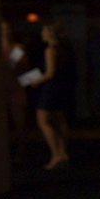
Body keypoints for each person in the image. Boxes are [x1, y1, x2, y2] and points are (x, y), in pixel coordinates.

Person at [34, 21, 75, 170]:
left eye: (44, 32)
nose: (42, 34)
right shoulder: (63, 49)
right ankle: (63, 152)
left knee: (43, 120)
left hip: (51, 88)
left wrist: (37, 81)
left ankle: (56, 153)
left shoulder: (50, 50)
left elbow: (50, 73)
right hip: (61, 87)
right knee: (60, 120)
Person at [2, 21, 30, 164]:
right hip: (1, 90)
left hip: (16, 88)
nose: (6, 32)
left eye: (7, 29)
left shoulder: (17, 48)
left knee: (19, 123)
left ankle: (21, 153)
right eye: (3, 29)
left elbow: (25, 68)